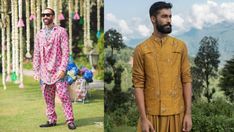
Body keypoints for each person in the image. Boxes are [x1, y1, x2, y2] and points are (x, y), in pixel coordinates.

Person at [132, 1, 192, 132]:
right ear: (153, 19)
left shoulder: (180, 46)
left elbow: (186, 81)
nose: (169, 20)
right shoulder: (141, 49)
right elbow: (138, 85)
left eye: (170, 16)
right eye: (164, 16)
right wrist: (143, 119)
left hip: (178, 115)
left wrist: (188, 114)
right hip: (151, 117)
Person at [33, 8, 76, 130]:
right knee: (47, 97)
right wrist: (36, 71)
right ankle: (51, 120)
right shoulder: (39, 34)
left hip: (58, 71)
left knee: (64, 96)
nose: (45, 16)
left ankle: (70, 120)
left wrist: (63, 69)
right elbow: (36, 53)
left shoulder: (61, 31)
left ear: (53, 16)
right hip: (44, 72)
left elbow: (65, 52)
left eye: (48, 14)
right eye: (43, 15)